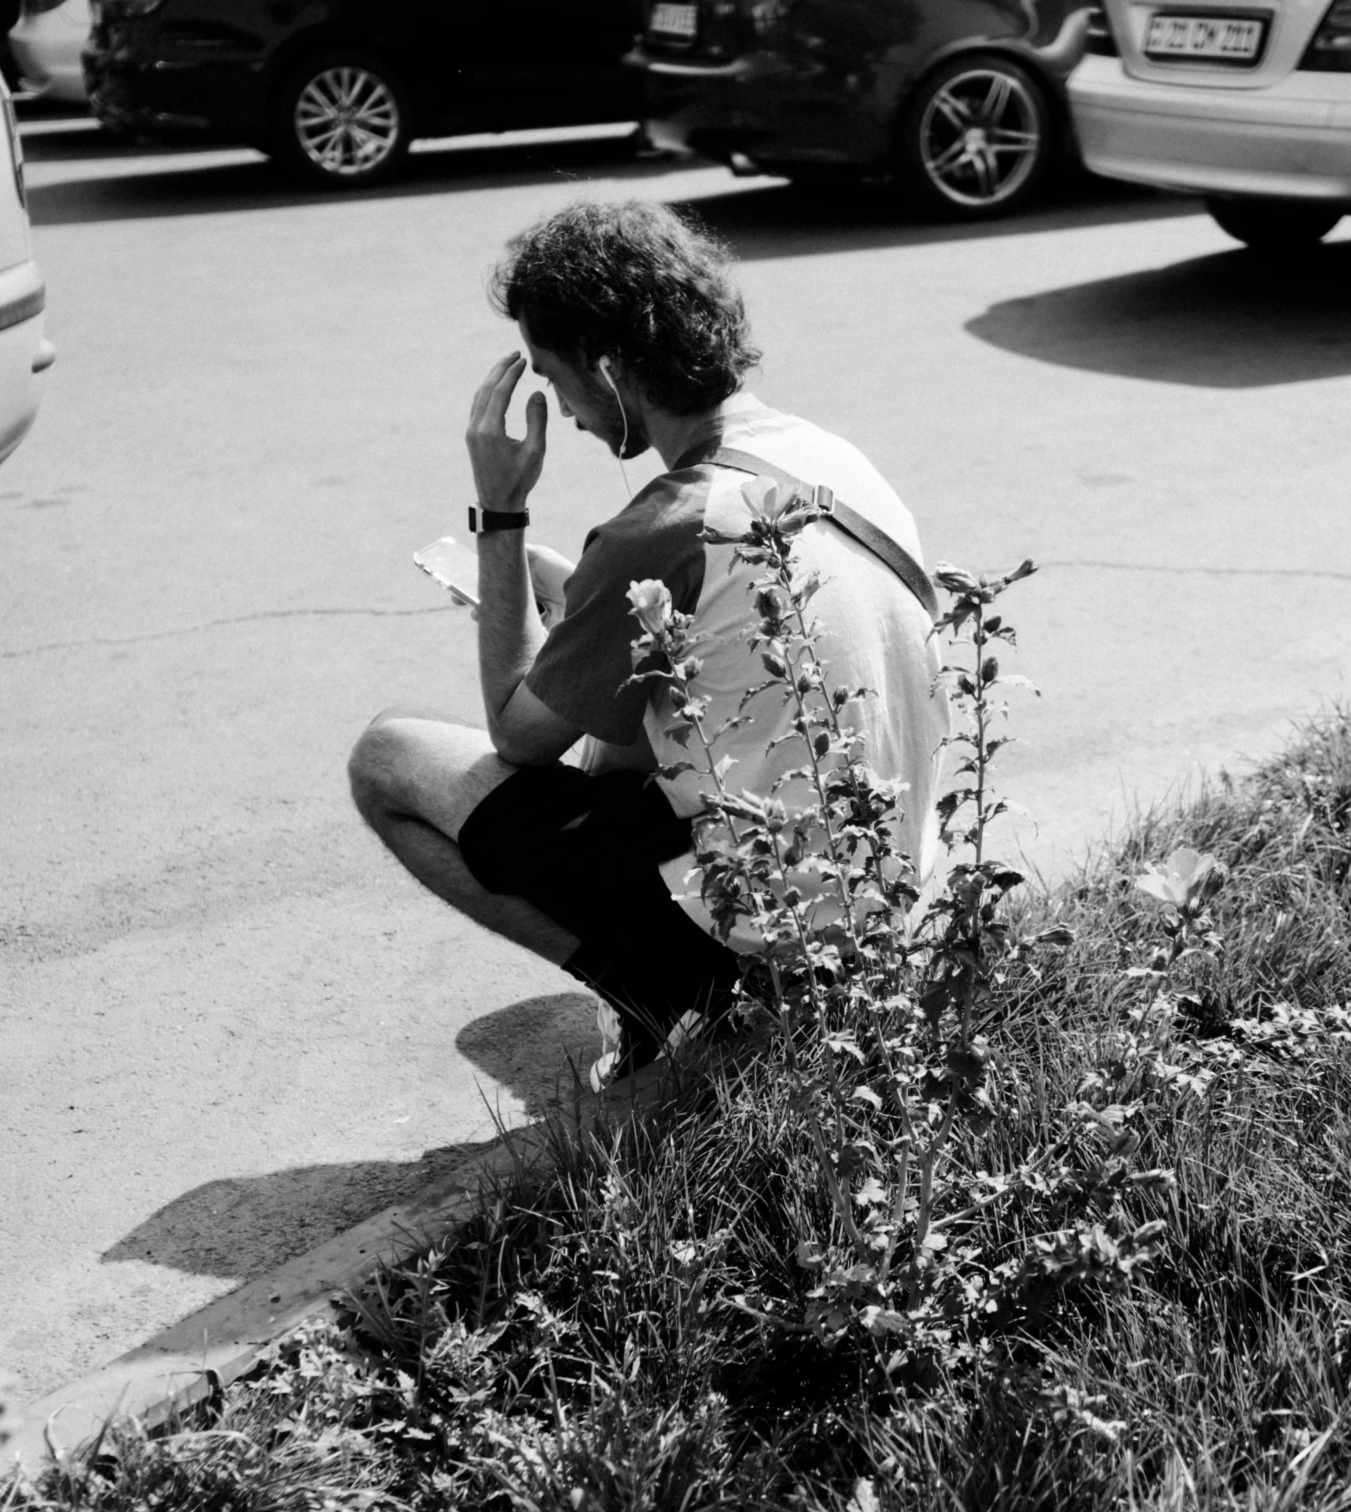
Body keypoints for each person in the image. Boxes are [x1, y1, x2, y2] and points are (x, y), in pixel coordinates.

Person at [348, 200, 943, 1082]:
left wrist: (500, 515)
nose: (569, 415)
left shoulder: (664, 525)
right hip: (882, 905)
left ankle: (678, 1001)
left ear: (612, 369)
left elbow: (517, 733)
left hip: (773, 946)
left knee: (388, 759)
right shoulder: (824, 454)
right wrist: (582, 611)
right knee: (623, 729)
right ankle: (671, 997)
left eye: (556, 380)